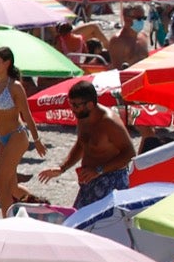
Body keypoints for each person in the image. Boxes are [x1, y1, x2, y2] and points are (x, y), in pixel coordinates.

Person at [40, 80, 136, 208]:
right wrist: (62, 168)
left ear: (90, 104)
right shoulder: (83, 116)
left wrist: (99, 170)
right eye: (70, 103)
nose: (72, 109)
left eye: (75, 105)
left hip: (111, 180)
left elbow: (130, 153)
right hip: (90, 180)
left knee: (95, 220)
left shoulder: (108, 122)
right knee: (77, 218)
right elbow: (82, 144)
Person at [0, 46, 44, 215]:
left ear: (7, 63)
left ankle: (7, 221)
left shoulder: (15, 87)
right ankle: (41, 206)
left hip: (17, 136)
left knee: (1, 182)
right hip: (2, 138)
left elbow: (27, 115)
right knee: (12, 186)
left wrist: (37, 140)